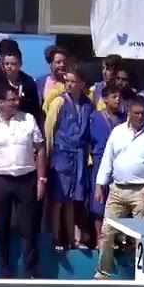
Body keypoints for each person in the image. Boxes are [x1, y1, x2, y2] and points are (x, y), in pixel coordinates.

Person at [0, 84, 47, 279]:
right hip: (0, 179)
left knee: (28, 227)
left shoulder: (28, 119)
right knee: (1, 226)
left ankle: (31, 270)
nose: (16, 102)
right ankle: (4, 271)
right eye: (11, 100)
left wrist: (41, 179)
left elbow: (40, 149)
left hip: (26, 179)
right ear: (0, 102)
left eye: (17, 99)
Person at [92, 94, 144, 279]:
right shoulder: (117, 132)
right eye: (136, 113)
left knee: (142, 234)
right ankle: (104, 271)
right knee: (107, 231)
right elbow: (107, 159)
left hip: (142, 190)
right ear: (129, 112)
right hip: (117, 189)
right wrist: (100, 184)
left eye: (142, 113)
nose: (139, 117)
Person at [44, 67, 94, 249]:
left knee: (73, 200)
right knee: (58, 199)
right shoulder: (59, 102)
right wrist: (48, 156)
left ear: (82, 84)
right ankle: (57, 238)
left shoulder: (88, 104)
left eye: (74, 81)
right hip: (61, 156)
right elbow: (49, 130)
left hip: (79, 156)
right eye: (67, 81)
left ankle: (73, 239)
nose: (70, 85)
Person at [87, 85, 124, 235]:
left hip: (118, 163)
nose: (117, 100)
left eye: (119, 97)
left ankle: (115, 237)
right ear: (104, 99)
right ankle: (99, 238)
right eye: (114, 97)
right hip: (99, 160)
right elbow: (88, 140)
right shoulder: (95, 117)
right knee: (99, 201)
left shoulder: (123, 119)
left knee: (115, 202)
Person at [0, 47, 42, 122]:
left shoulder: (28, 82)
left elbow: (35, 108)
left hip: (23, 122)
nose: (9, 67)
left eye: (13, 64)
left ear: (20, 64)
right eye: (6, 64)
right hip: (3, 122)